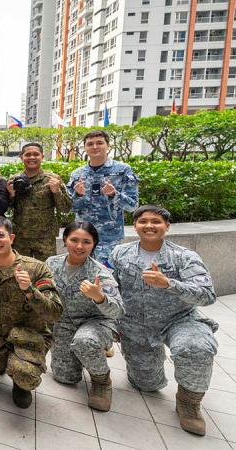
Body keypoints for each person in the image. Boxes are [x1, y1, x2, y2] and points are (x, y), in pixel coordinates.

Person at [109, 205, 217, 436]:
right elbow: (114, 290)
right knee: (146, 385)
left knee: (195, 348)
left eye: (156, 222)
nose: (149, 226)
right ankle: (147, 370)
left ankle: (188, 402)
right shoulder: (119, 254)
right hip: (136, 325)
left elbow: (207, 294)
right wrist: (113, 323)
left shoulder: (184, 257)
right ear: (135, 226)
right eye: (143, 221)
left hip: (179, 319)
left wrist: (169, 283)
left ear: (167, 226)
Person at [0, 215, 63, 409]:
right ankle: (0, 362)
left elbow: (55, 312)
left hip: (28, 335)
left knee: (24, 374)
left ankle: (20, 384)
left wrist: (29, 290)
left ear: (12, 237)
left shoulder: (37, 268)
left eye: (0, 235)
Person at [46, 221, 124, 412]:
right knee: (65, 377)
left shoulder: (100, 273)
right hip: (64, 322)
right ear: (65, 240)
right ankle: (91, 350)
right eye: (74, 240)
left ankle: (101, 380)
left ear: (94, 244)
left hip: (95, 322)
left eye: (86, 242)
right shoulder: (52, 263)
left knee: (85, 342)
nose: (79, 246)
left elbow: (118, 311)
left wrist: (99, 296)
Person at [68, 130, 140, 266]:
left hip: (109, 239)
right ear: (85, 148)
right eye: (90, 144)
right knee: (81, 278)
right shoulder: (77, 174)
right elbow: (70, 208)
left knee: (107, 279)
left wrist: (114, 194)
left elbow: (132, 206)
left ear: (108, 146)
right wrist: (78, 195)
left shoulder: (122, 170)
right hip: (82, 238)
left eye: (99, 143)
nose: (95, 147)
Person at [7, 142, 72, 261]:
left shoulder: (52, 179)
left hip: (45, 238)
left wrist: (56, 191)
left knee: (45, 273)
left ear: (42, 156)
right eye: (28, 154)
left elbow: (65, 208)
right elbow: (6, 208)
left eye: (36, 154)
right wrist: (11, 195)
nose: (32, 157)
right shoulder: (14, 180)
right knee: (20, 272)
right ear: (21, 157)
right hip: (21, 237)